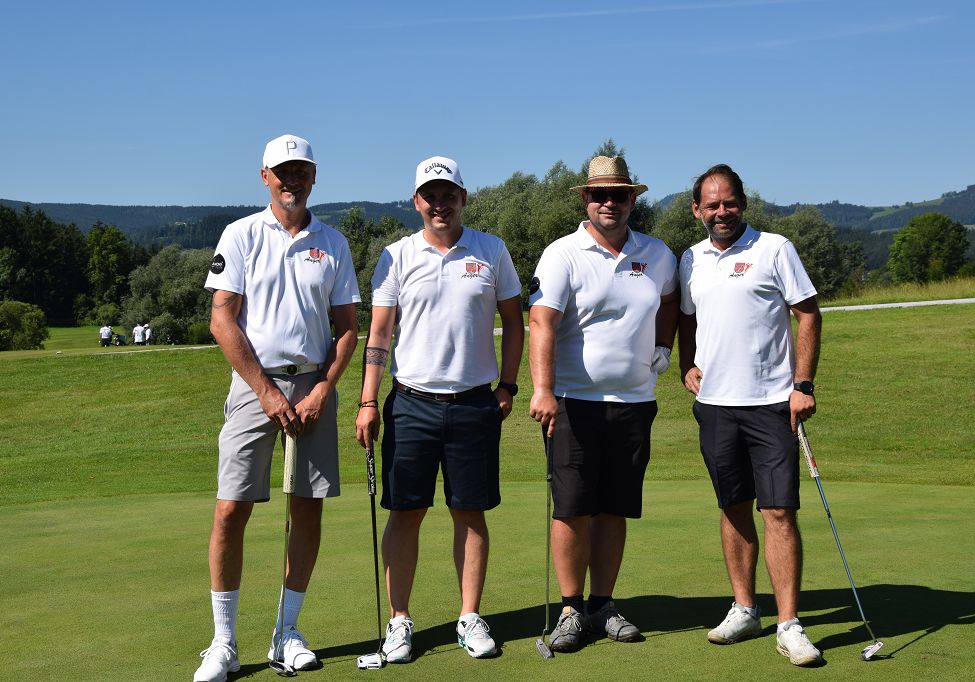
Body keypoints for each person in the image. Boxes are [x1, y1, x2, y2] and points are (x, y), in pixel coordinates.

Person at [194, 134, 360, 682]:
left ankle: (286, 632)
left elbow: (347, 328)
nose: (292, 179)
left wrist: (323, 389)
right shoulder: (241, 234)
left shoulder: (332, 242)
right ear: (265, 176)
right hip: (253, 385)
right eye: (282, 171)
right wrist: (265, 390)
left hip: (313, 385)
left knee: (306, 510)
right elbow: (222, 319)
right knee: (230, 509)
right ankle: (223, 643)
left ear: (314, 176)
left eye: (301, 170)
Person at [355, 156, 524, 663]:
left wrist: (508, 385)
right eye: (430, 196)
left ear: (463, 198)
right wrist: (368, 400)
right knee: (405, 513)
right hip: (411, 404)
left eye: (448, 194)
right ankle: (399, 620)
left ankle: (469, 616)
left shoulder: (491, 250)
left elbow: (514, 322)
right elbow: (379, 334)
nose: (440, 204)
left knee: (469, 514)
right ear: (416, 202)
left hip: (474, 403)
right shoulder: (396, 255)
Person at [528, 155, 679, 653]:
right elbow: (541, 322)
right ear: (585, 200)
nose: (609, 203)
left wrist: (664, 345)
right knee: (573, 508)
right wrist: (543, 389)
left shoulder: (656, 253)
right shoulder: (562, 254)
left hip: (634, 402)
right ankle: (571, 609)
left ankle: (603, 604)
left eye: (618, 195)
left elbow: (670, 300)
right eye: (599, 195)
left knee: (615, 509)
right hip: (573, 402)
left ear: (633, 199)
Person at [677, 164, 823, 667]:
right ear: (697, 210)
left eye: (729, 202)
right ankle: (745, 609)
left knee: (778, 511)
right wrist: (686, 364)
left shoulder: (774, 248)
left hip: (771, 404)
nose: (721, 212)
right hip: (716, 406)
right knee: (733, 506)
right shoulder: (690, 259)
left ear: (743, 202)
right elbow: (687, 318)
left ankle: (789, 624)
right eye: (711, 205)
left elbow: (807, 312)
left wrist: (803, 385)